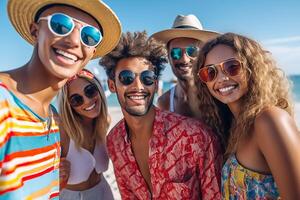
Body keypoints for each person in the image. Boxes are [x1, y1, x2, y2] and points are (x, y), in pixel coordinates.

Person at [0, 0, 121, 199]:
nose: (74, 41)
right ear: (35, 30)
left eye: (89, 36)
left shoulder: (51, 121)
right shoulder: (4, 102)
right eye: (61, 24)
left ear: (92, 52)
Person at [100, 31, 222, 199]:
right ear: (112, 85)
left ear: (155, 84)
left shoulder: (196, 137)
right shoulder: (114, 142)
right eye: (127, 77)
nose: (138, 86)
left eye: (147, 78)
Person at [194, 32, 300, 199]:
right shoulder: (231, 127)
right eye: (210, 72)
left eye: (232, 66)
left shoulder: (270, 120)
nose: (221, 78)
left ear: (253, 67)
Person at [58, 69, 113, 199]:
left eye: (90, 91)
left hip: (104, 192)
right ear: (69, 106)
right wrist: (56, 174)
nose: (87, 101)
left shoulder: (104, 122)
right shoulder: (63, 130)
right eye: (76, 99)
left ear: (99, 88)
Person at [151, 14, 219, 119]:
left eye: (192, 51)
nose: (184, 59)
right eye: (176, 52)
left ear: (203, 55)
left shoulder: (217, 95)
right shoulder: (164, 102)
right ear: (168, 57)